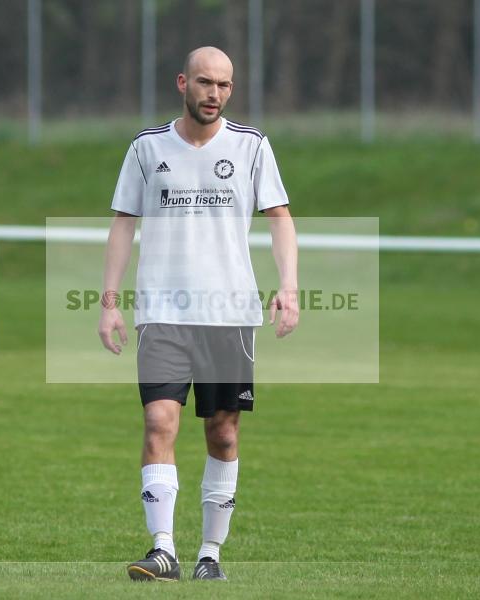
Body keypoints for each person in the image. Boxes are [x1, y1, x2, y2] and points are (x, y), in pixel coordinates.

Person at [98, 46, 298, 582]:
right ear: (183, 82)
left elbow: (280, 217)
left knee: (223, 432)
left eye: (225, 85)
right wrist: (110, 302)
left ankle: (211, 553)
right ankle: (162, 548)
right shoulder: (147, 147)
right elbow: (123, 221)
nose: (215, 94)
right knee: (159, 419)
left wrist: (290, 288)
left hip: (229, 313)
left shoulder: (252, 147)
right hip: (162, 310)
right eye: (205, 83)